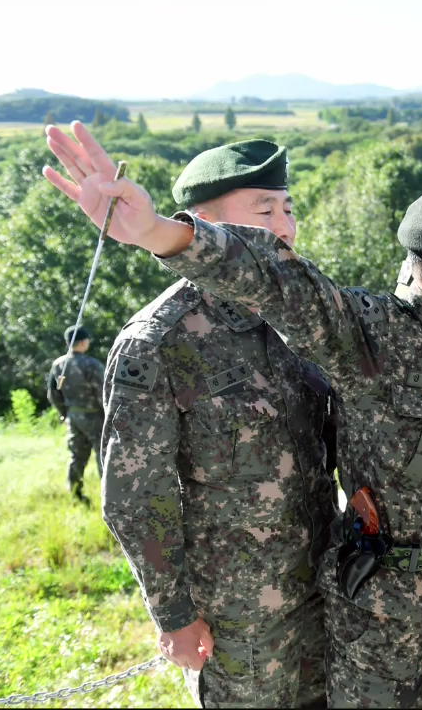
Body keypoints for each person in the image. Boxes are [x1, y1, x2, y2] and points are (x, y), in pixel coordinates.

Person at [42, 120, 422, 709]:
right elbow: (277, 281)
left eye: (288, 208)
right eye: (264, 210)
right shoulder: (366, 333)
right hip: (337, 610)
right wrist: (157, 231)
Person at [95, 138, 338, 707]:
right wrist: (174, 615)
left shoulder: (301, 318)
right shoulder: (160, 341)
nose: (283, 225)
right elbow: (136, 496)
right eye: (263, 210)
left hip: (324, 595)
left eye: (288, 207)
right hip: (237, 620)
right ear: (202, 225)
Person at [44, 323, 105, 503]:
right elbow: (103, 394)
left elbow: (53, 394)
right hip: (95, 416)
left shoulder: (58, 364)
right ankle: (109, 498)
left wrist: (64, 413)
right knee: (104, 456)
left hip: (73, 416)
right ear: (84, 342)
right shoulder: (92, 365)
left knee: (77, 456)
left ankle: (76, 493)